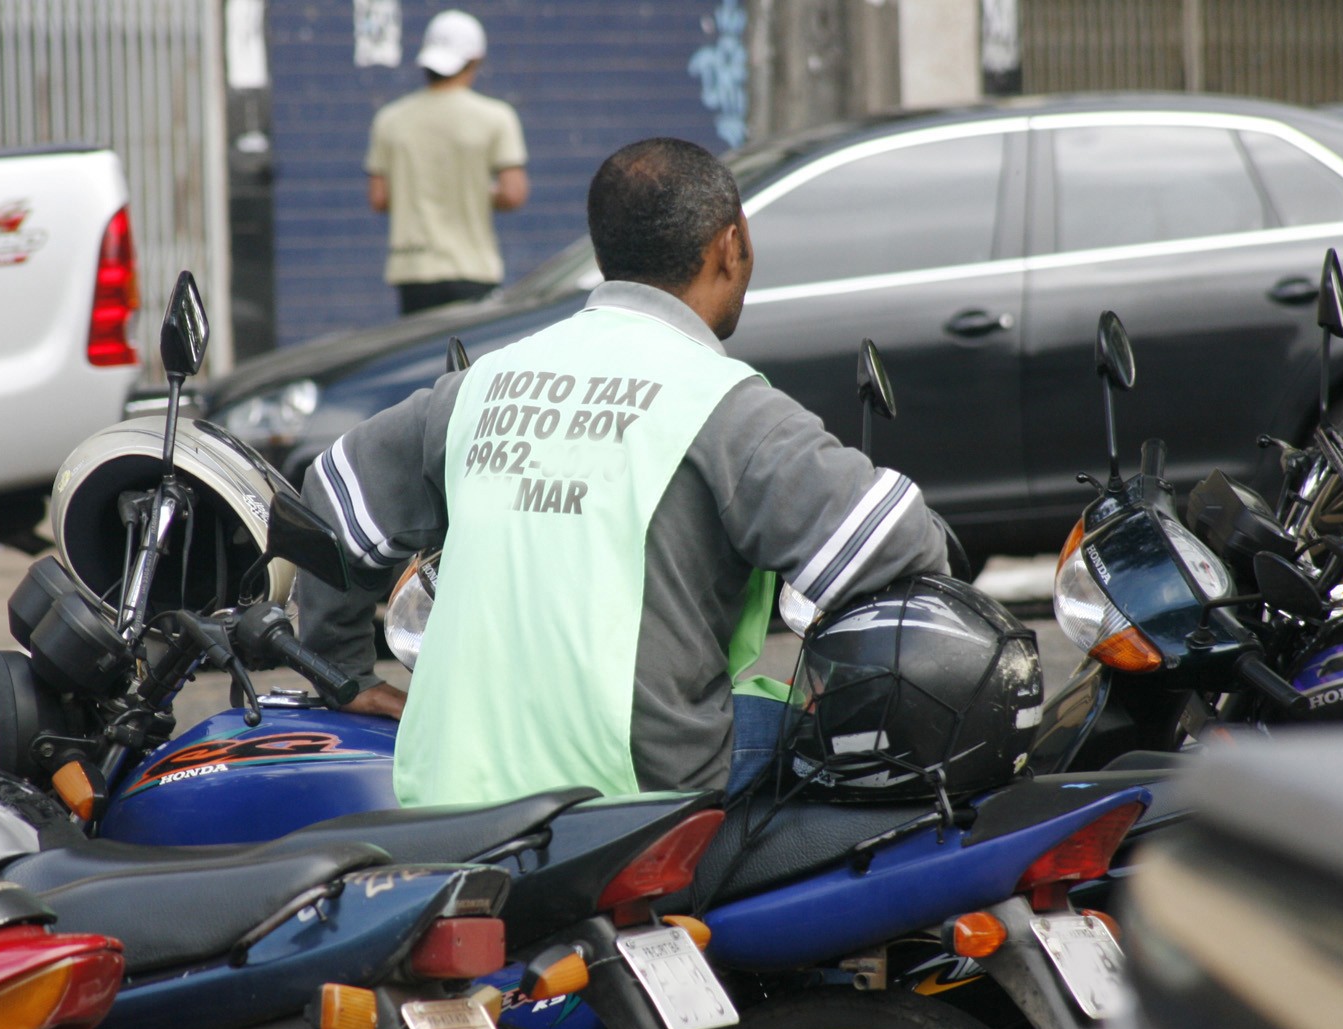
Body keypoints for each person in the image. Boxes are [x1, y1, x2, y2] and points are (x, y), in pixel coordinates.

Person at [300, 137, 949, 807]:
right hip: (631, 789)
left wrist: (341, 675)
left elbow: (331, 497)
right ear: (729, 246)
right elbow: (898, 542)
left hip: (446, 782)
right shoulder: (722, 405)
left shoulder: (479, 385)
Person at [365, 9, 529, 315]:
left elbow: (379, 197)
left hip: (412, 269)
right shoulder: (496, 117)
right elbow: (513, 193)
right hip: (473, 267)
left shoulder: (389, 120)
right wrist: (473, 190)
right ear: (475, 60)